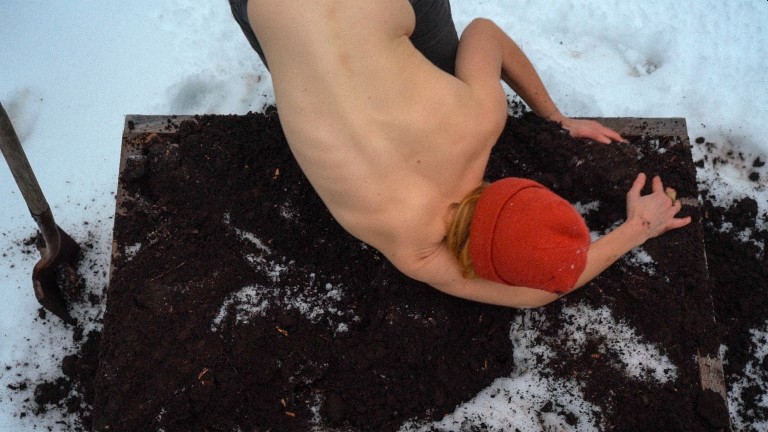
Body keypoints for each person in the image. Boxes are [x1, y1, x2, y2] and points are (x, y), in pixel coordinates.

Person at [227, 0, 691, 308]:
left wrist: (557, 119)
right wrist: (637, 229)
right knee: (297, 55)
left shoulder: (480, 119)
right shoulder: (413, 246)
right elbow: (540, 294)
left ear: (521, 187)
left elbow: (485, 31)